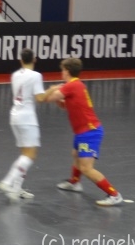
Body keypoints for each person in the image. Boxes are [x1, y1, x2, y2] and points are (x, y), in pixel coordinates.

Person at [45, 58, 125, 206]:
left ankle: (114, 194)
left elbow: (47, 98)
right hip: (82, 132)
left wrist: (51, 88)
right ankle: (75, 183)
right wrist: (58, 96)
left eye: (62, 70)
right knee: (75, 154)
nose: (61, 73)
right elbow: (64, 105)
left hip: (89, 133)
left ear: (67, 71)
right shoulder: (76, 85)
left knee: (86, 168)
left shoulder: (72, 86)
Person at [0, 48, 47, 200]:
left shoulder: (15, 75)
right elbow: (40, 98)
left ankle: (16, 189)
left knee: (24, 155)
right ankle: (8, 181)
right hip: (27, 119)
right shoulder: (36, 76)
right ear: (34, 59)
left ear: (21, 60)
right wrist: (52, 91)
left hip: (15, 117)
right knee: (30, 155)